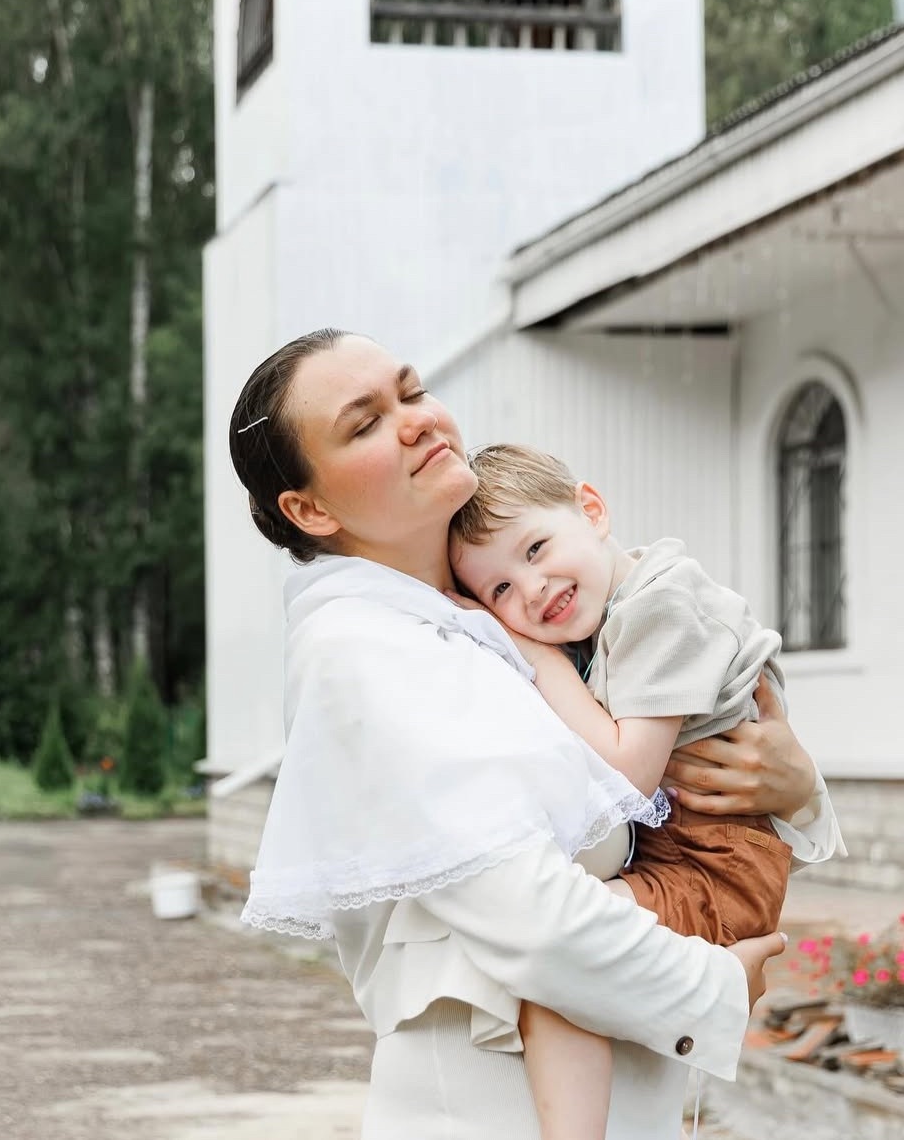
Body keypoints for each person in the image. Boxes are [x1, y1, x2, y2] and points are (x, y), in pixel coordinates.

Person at [228, 328, 844, 1140]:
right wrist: (711, 985)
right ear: (311, 509)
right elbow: (523, 910)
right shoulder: (361, 647)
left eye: (411, 392)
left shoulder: (503, 609)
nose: (413, 421)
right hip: (488, 1104)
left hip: (611, 1083)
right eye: (365, 422)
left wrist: (795, 788)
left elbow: (687, 743)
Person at [450, 442, 833, 1140]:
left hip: (716, 866)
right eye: (499, 590)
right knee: (562, 962)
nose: (531, 590)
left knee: (565, 952)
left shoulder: (659, 604)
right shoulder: (604, 614)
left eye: (535, 548)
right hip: (684, 851)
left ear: (591, 510)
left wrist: (538, 662)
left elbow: (628, 776)